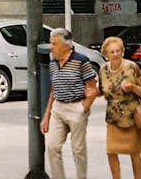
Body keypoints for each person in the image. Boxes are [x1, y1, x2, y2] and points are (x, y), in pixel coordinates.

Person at [40, 27, 98, 179]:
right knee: (52, 146)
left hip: (76, 106)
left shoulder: (81, 61)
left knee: (78, 149)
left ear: (66, 46)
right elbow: (54, 88)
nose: (51, 47)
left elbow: (92, 89)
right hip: (58, 108)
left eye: (54, 44)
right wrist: (46, 115)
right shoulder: (53, 62)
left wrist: (83, 108)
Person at [98, 35, 141, 179]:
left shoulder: (131, 67)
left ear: (122, 51)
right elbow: (101, 90)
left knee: (134, 152)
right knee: (111, 151)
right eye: (111, 52)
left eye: (118, 51)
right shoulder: (102, 69)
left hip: (132, 115)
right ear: (106, 54)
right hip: (113, 116)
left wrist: (133, 87)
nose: (115, 54)